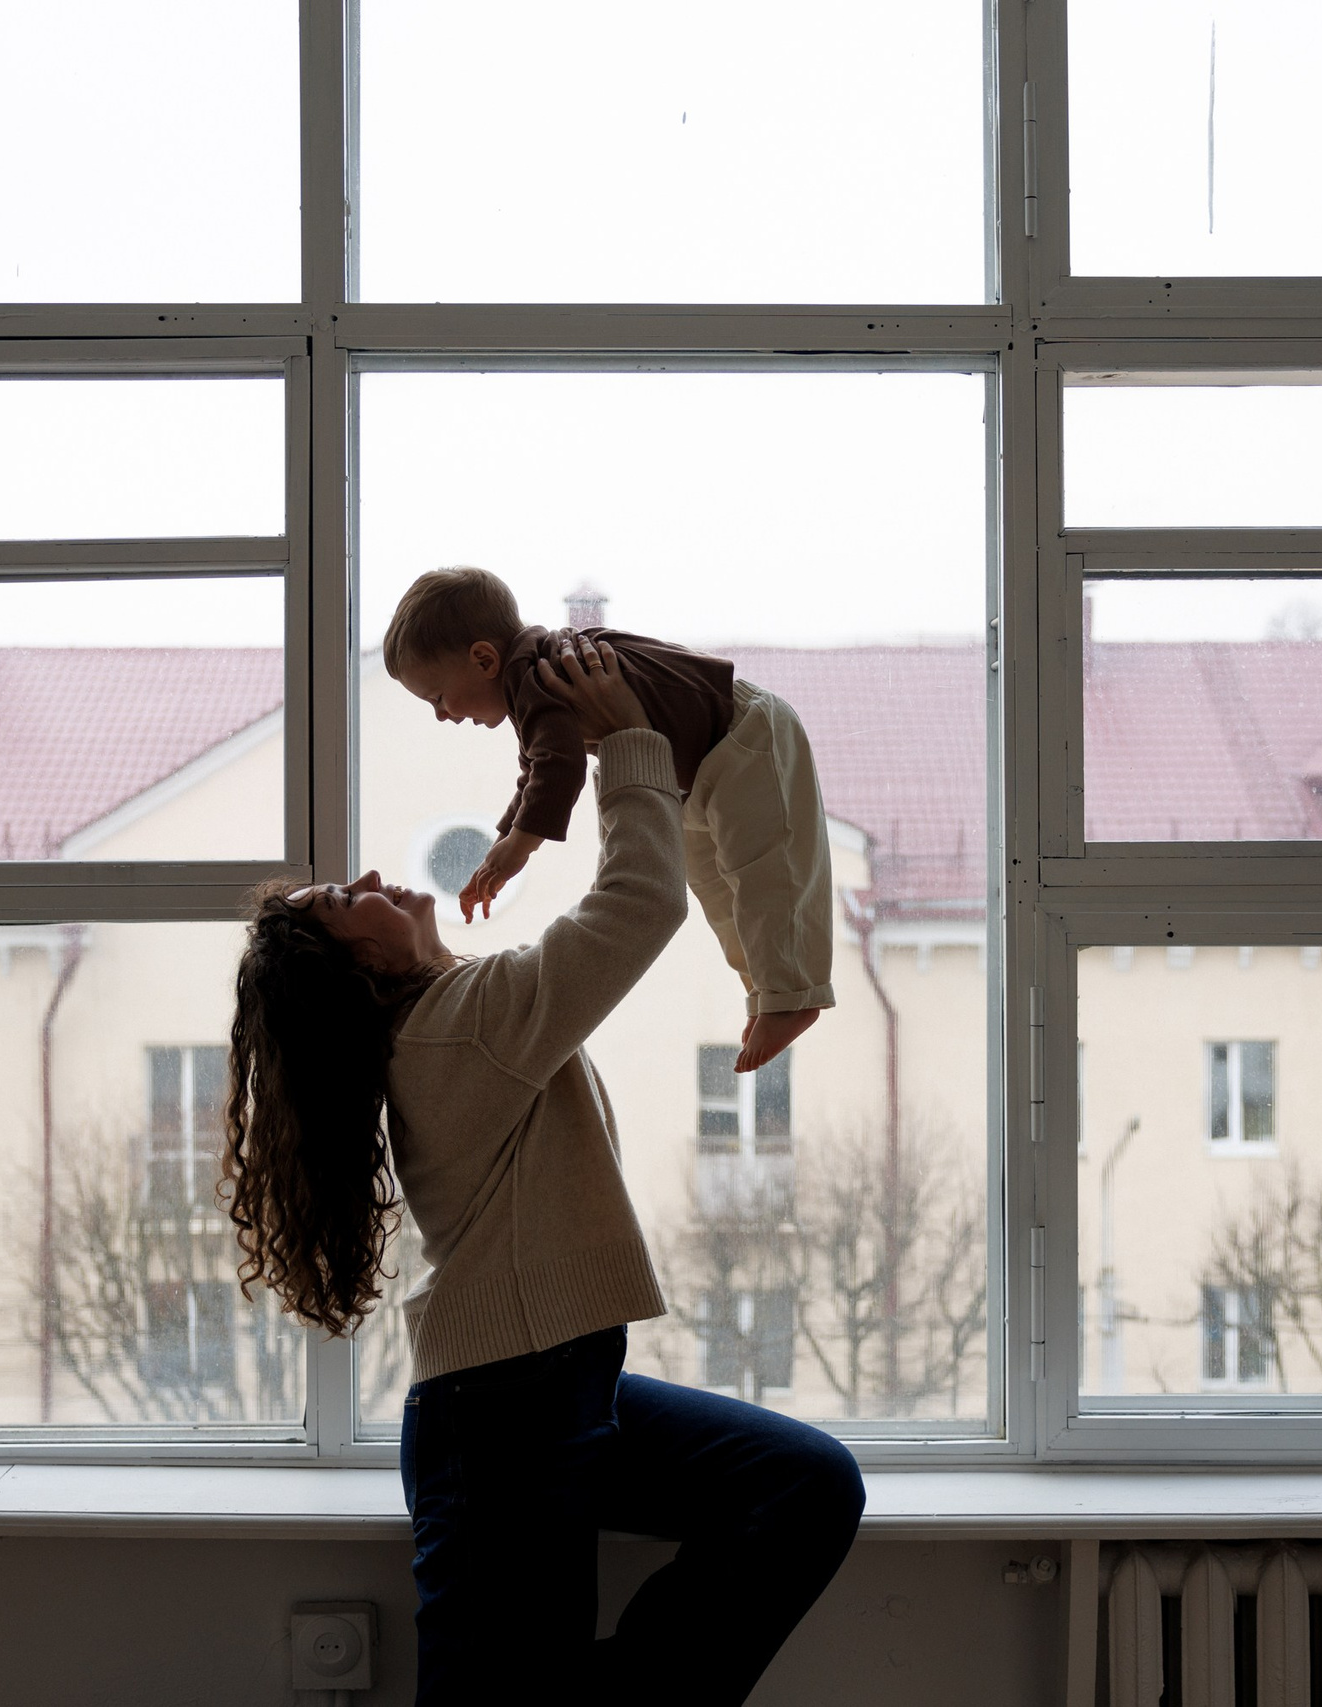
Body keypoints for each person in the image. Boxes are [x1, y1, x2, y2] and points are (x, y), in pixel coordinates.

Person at [222, 634, 865, 1706]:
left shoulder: (460, 1015)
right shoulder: (457, 1028)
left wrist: (535, 821)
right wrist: (631, 740)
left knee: (799, 1489)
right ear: (356, 971)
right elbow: (640, 903)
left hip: (556, 1389)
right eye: (351, 897)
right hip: (504, 1415)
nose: (379, 878)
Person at [381, 564, 832, 1073]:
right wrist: (503, 838)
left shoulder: (540, 678)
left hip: (743, 735)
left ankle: (793, 995)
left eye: (438, 698)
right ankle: (766, 991)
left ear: (484, 659)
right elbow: (535, 771)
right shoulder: (531, 681)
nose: (441, 715)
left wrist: (519, 848)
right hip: (696, 772)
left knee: (767, 873)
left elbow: (561, 768)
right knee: (717, 887)